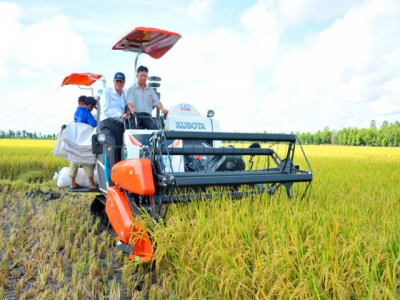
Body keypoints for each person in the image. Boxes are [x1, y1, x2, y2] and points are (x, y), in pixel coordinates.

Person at [99, 72, 130, 184]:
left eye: (121, 81)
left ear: (124, 83)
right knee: (112, 147)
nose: (119, 83)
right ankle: (114, 183)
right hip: (107, 124)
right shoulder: (107, 91)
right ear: (113, 81)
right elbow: (105, 109)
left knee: (123, 150)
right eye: (117, 81)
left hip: (120, 126)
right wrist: (121, 115)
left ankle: (123, 180)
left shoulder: (124, 95)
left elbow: (128, 108)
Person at [69, 96, 98, 189]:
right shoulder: (87, 113)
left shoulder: (77, 110)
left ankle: (72, 183)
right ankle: (92, 183)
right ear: (89, 105)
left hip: (75, 138)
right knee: (87, 159)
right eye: (92, 107)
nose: (92, 109)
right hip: (83, 139)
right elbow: (94, 124)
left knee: (74, 159)